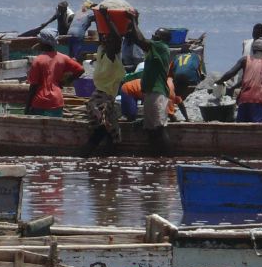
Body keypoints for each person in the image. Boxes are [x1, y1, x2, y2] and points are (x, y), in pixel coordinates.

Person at [127, 13, 176, 155]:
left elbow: (141, 39)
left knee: (159, 128)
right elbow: (137, 39)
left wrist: (134, 20)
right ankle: (156, 156)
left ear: (161, 39)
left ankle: (169, 159)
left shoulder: (161, 47)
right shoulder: (154, 49)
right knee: (150, 129)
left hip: (157, 92)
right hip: (150, 92)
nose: (153, 36)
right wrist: (133, 23)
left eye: (156, 34)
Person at [83, 8, 125, 156]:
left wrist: (106, 17)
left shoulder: (113, 56)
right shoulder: (101, 50)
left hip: (104, 99)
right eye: (104, 38)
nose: (105, 39)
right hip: (100, 98)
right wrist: (98, 16)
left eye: (109, 38)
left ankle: (91, 157)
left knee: (107, 132)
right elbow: (105, 34)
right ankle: (92, 157)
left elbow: (117, 38)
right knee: (106, 131)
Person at [218, 38, 262, 123]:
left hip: (244, 99)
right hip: (259, 100)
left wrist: (219, 81)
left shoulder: (244, 60)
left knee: (241, 128)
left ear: (253, 50)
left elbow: (231, 73)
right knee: (257, 129)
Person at [24, 29, 84, 116]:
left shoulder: (38, 61)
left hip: (40, 102)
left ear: (42, 43)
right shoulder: (63, 58)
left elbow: (33, 86)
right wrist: (65, 82)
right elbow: (80, 70)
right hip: (57, 101)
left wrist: (27, 107)